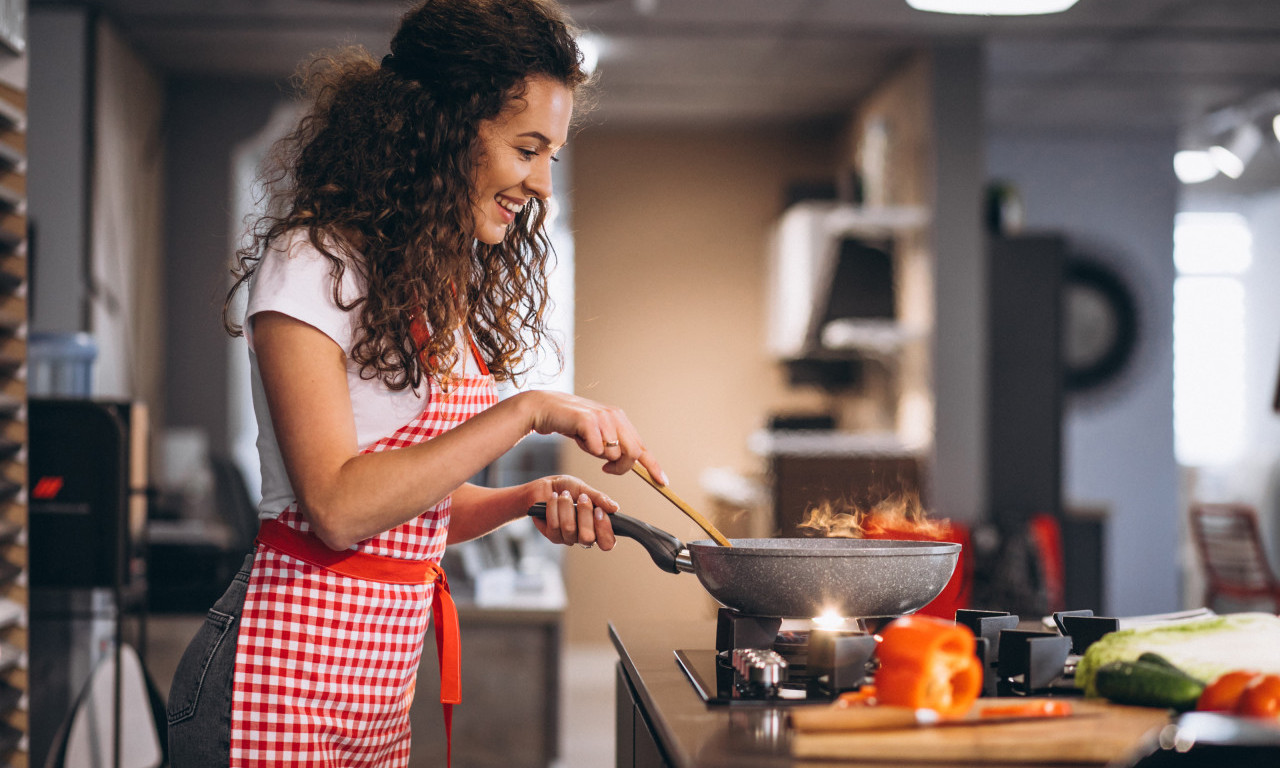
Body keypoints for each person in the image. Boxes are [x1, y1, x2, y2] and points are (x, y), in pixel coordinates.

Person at [165, 1, 664, 765]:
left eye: (552, 157)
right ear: (444, 127)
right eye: (527, 149)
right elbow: (339, 508)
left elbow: (409, 510)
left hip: (373, 699)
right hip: (273, 683)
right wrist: (528, 410)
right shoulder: (313, 264)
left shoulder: (428, 287)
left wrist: (524, 499)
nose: (542, 185)